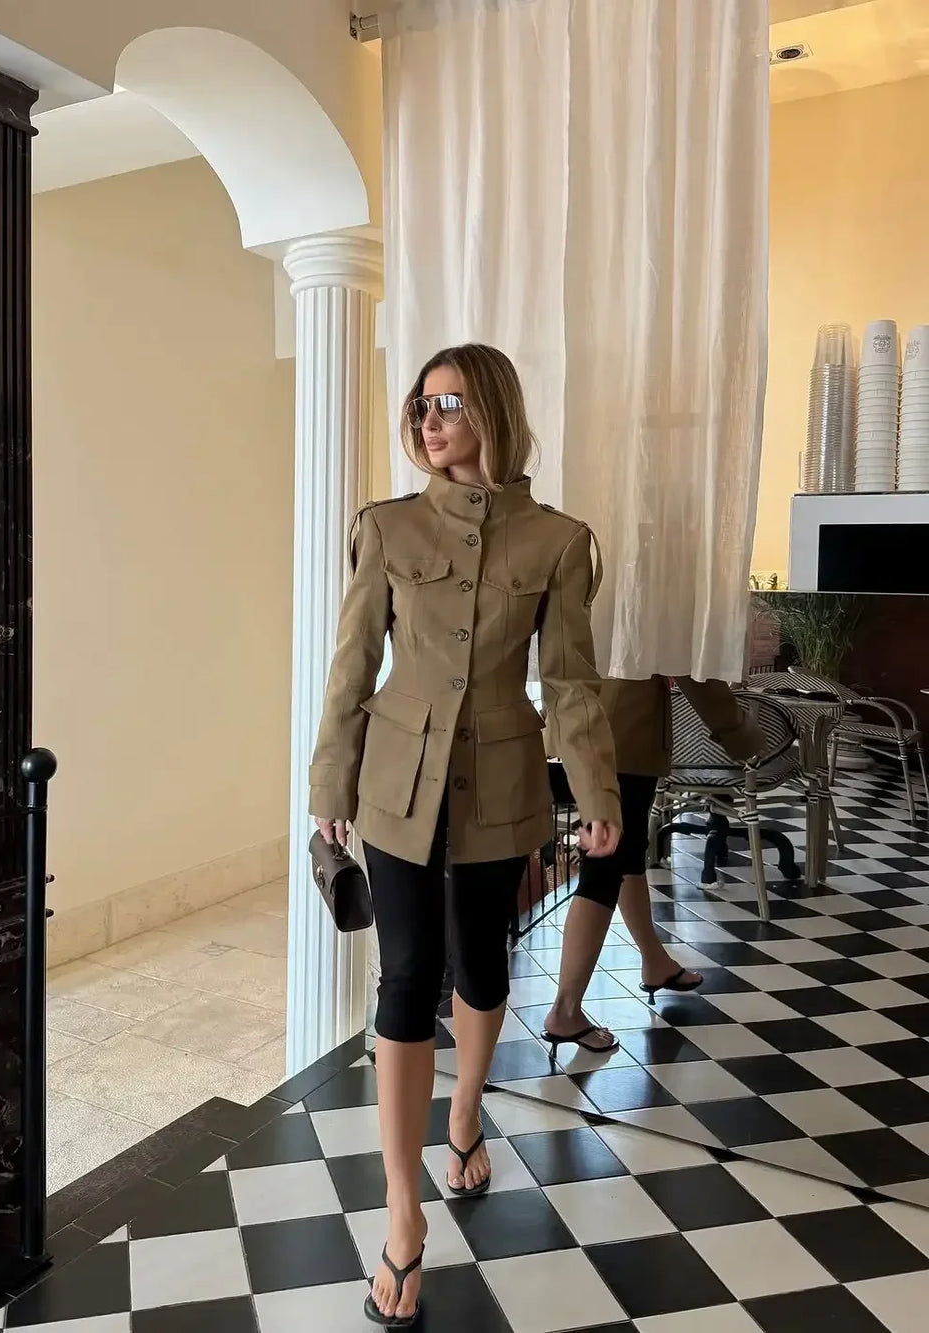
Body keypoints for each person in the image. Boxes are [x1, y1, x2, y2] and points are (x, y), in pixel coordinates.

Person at [310, 344, 621, 1328]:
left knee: (481, 966)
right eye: (422, 403)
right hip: (394, 782)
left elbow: (569, 682)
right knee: (404, 975)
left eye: (449, 402)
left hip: (499, 783)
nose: (430, 418)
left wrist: (597, 790)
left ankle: (465, 1103)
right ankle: (403, 1213)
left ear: (492, 410)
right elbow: (352, 664)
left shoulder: (560, 542)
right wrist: (329, 781)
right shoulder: (385, 526)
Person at [542, 675, 766, 1059]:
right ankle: (565, 1011)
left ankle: (654, 960)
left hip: (583, 727)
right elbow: (691, 668)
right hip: (623, 737)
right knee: (604, 868)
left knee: (626, 856)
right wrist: (740, 731)